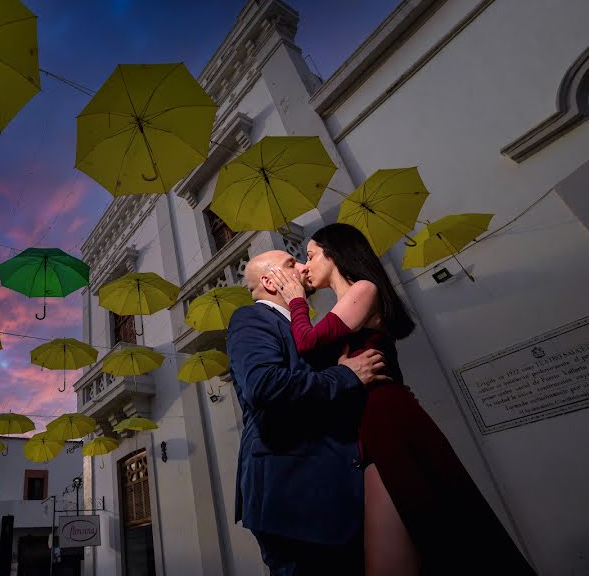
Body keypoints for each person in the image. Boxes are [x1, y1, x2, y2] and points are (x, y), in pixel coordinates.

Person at [269, 223, 535, 576]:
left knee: (412, 536)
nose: (304, 266)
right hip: (367, 424)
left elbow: (308, 343)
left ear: (335, 254)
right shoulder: (342, 305)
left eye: (311, 255)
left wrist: (296, 300)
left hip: (388, 418)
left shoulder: (364, 289)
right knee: (398, 546)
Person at [226, 249, 389, 576]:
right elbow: (264, 385)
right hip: (294, 500)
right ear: (271, 282)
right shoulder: (252, 318)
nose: (302, 266)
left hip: (330, 496)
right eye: (291, 263)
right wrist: (345, 375)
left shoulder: (303, 329)